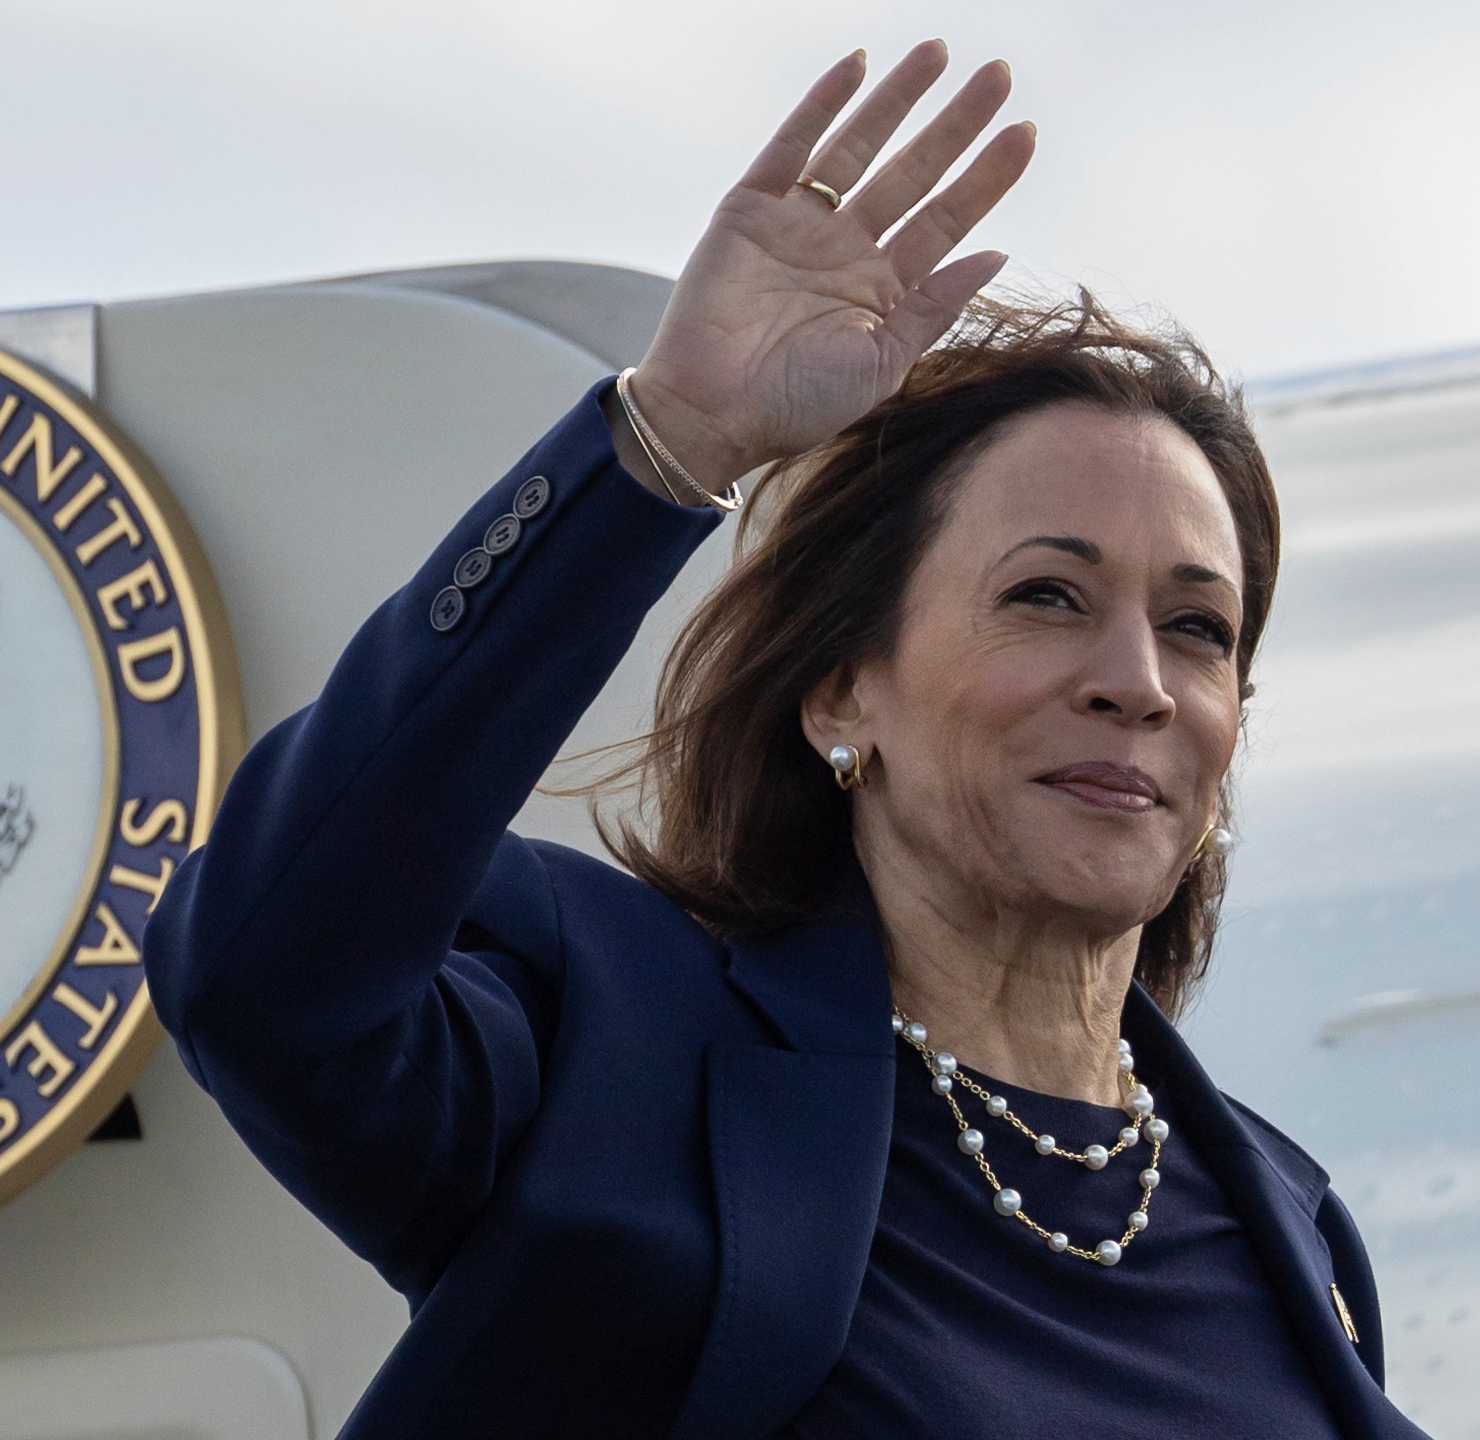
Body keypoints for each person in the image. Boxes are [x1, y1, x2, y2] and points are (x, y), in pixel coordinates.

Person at [142, 40, 1427, 1439]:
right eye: (1045, 597)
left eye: (1198, 629)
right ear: (840, 691)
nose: (1138, 682)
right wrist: (668, 441)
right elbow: (271, 974)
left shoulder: (1289, 1225)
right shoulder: (619, 1056)